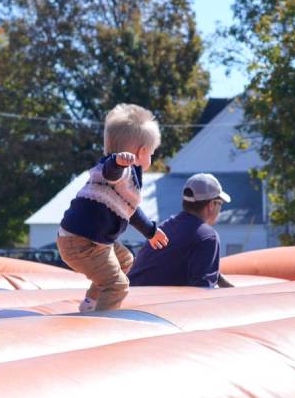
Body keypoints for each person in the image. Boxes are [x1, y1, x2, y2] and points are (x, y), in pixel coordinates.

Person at [57, 104, 170, 313]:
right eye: (152, 153)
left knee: (126, 260)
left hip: (92, 241)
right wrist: (118, 162)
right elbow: (111, 173)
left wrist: (151, 232)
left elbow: (131, 210)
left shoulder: (130, 184)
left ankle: (90, 303)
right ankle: (101, 323)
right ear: (143, 151)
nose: (151, 158)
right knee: (117, 285)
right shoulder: (117, 170)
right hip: (80, 243)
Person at [128, 173, 236, 288]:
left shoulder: (166, 227)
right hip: (152, 304)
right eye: (220, 203)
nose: (220, 209)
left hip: (128, 297)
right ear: (211, 205)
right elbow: (204, 292)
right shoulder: (208, 236)